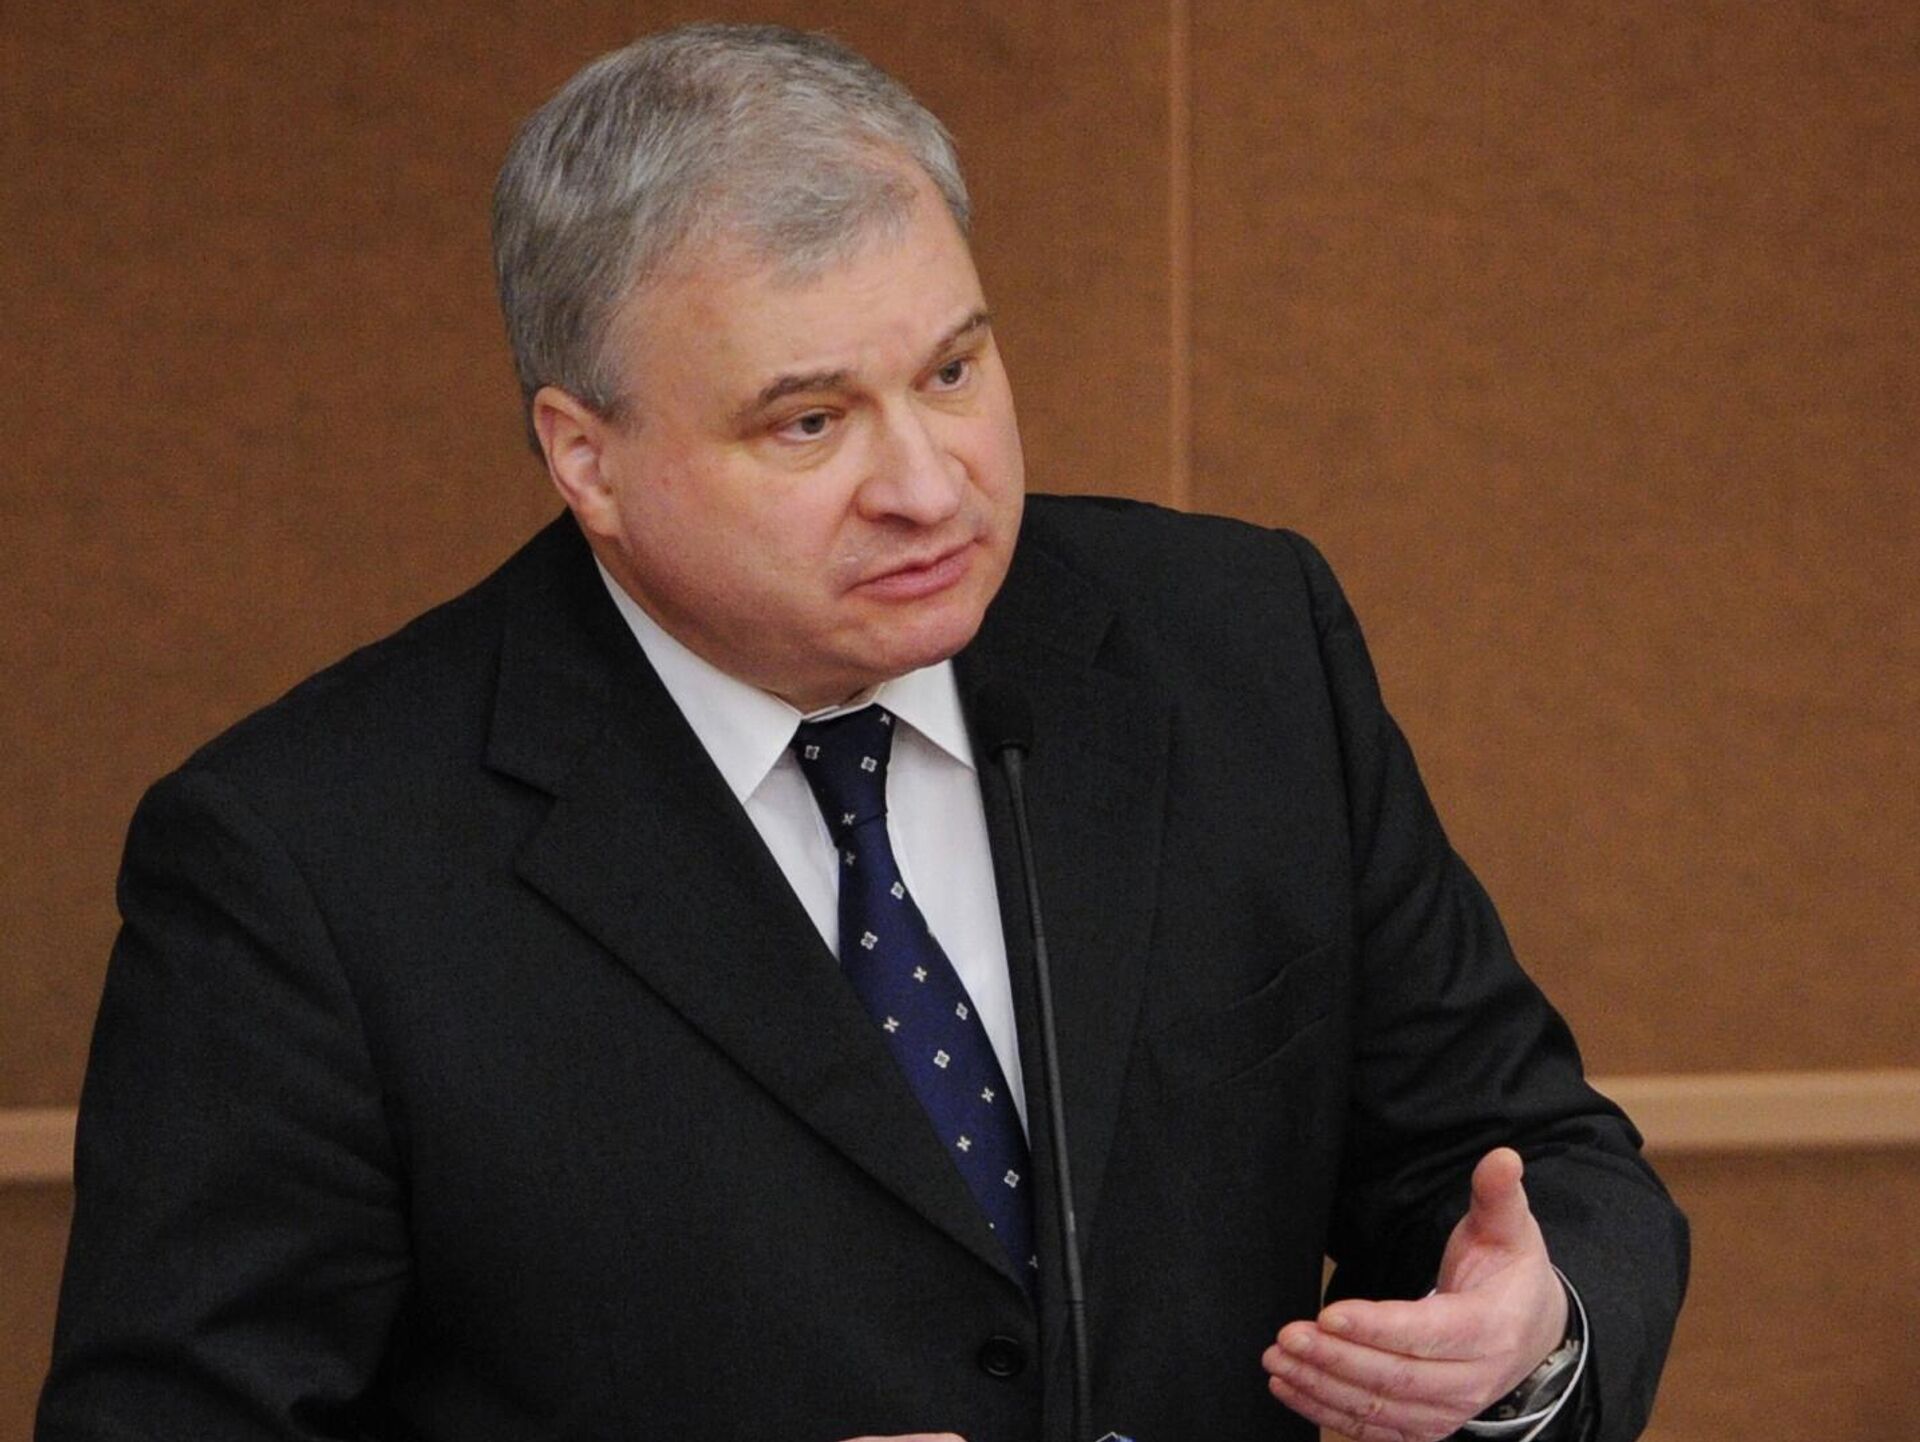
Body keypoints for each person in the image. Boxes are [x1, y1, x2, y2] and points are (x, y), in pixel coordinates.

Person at [38, 22, 1686, 1442]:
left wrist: (1531, 1335)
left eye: (954, 372)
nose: (926, 483)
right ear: (586, 456)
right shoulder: (306, 860)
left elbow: (1530, 1157)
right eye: (811, 420)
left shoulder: (1237, 649)